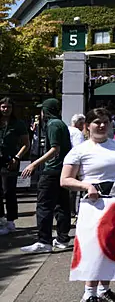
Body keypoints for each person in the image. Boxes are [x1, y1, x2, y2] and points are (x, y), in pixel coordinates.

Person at [61, 108, 115, 302]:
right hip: (95, 206)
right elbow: (65, 180)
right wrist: (86, 186)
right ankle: (89, 296)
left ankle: (104, 291)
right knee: (95, 251)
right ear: (87, 126)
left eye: (106, 121)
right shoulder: (79, 150)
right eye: (97, 122)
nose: (102, 126)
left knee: (114, 249)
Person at [20, 98, 72, 253]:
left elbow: (54, 149)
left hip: (51, 170)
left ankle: (44, 241)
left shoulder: (53, 125)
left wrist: (34, 164)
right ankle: (62, 238)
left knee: (44, 206)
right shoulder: (60, 124)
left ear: (45, 111)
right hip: (62, 170)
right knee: (62, 205)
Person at [0, 97, 30, 236]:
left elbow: (26, 143)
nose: (6, 109)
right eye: (3, 107)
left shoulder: (18, 124)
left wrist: (17, 157)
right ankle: (1, 219)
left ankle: (11, 220)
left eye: (8, 107)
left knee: (9, 190)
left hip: (10, 160)